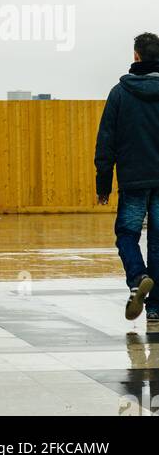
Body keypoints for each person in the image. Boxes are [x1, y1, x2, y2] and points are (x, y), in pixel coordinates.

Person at [95, 32, 159, 322]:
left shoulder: (119, 93)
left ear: (136, 56)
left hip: (133, 180)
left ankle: (137, 278)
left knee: (127, 234)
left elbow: (106, 142)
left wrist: (104, 184)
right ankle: (156, 308)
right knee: (158, 241)